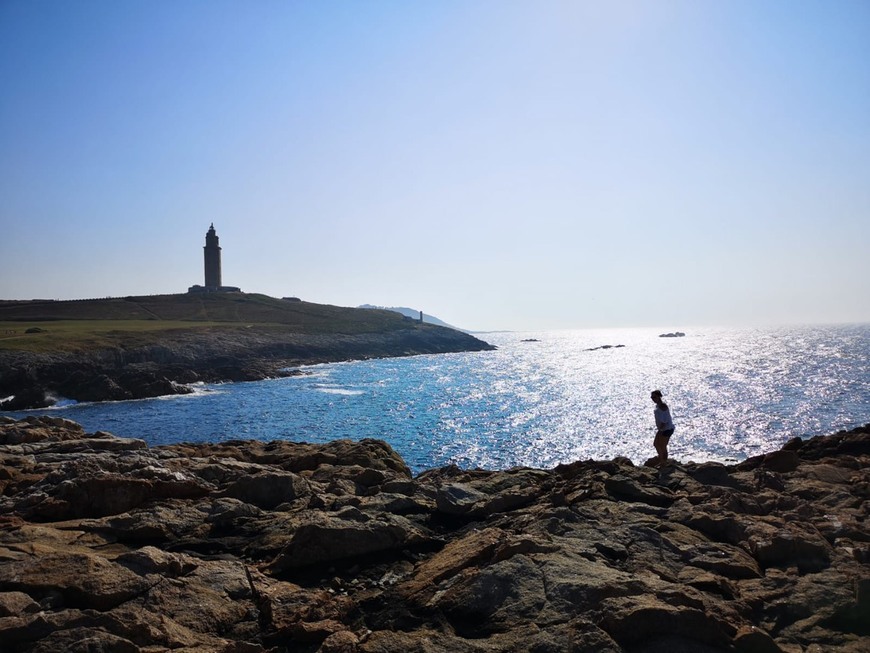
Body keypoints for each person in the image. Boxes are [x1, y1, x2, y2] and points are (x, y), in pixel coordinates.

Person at [650, 390, 675, 466]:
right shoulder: (659, 405)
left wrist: (660, 430)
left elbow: (664, 420)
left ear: (659, 396)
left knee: (660, 445)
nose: (653, 399)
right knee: (658, 445)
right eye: (652, 397)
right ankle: (663, 461)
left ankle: (663, 462)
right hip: (665, 428)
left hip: (666, 429)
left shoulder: (662, 406)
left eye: (654, 397)